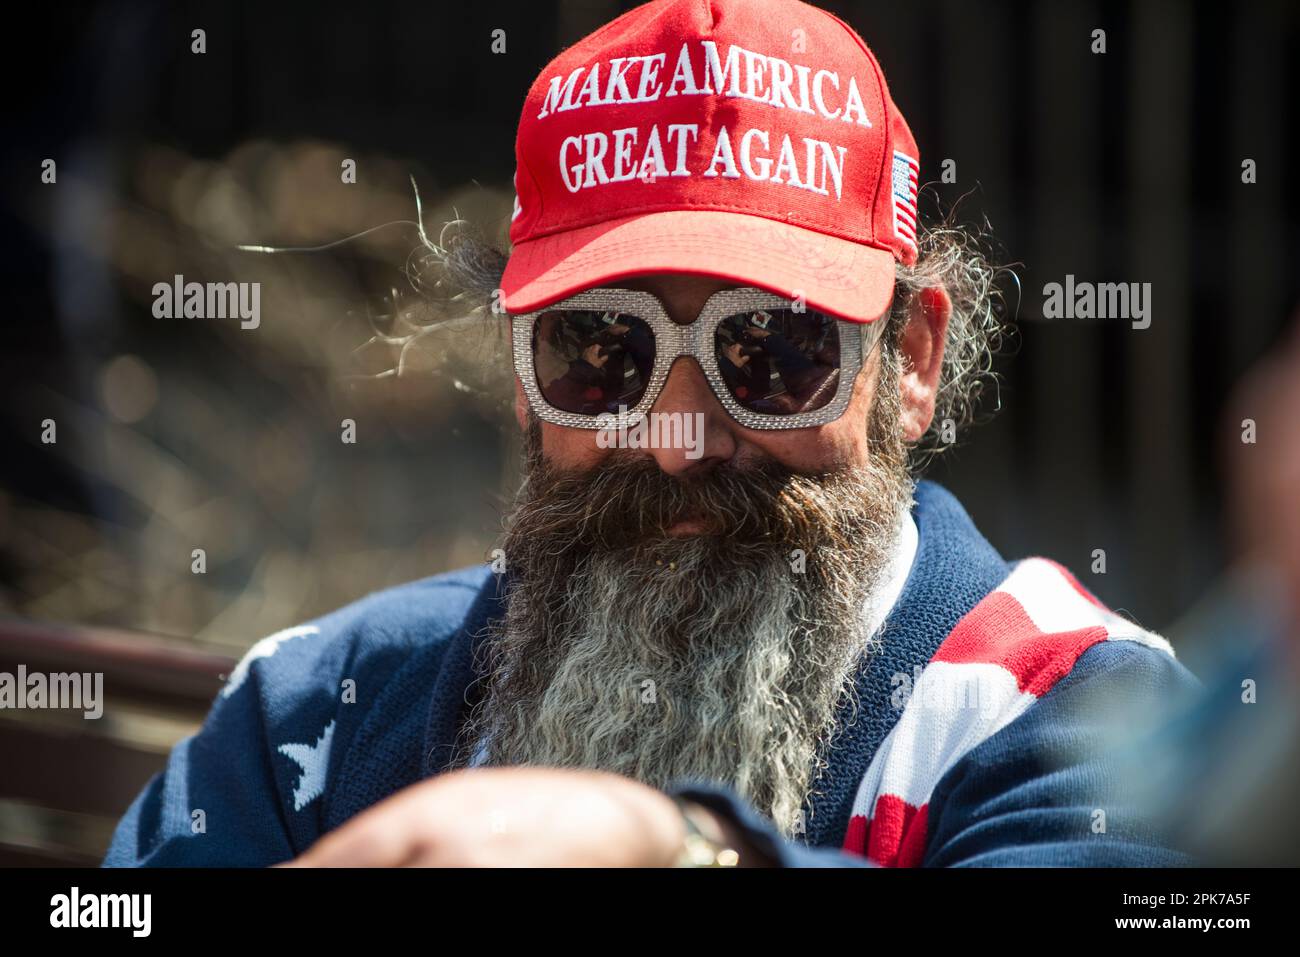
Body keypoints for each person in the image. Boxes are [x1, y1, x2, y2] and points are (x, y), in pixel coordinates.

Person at [104, 0, 1200, 867]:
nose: (678, 438)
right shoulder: (321, 705)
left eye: (772, 350)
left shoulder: (1089, 723)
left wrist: (669, 851)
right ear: (523, 372)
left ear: (907, 364)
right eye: (602, 349)